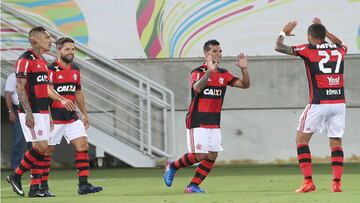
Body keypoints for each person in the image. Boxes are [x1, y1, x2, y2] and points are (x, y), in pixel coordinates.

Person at [164, 39, 250, 193]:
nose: (218, 54)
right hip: (197, 119)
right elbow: (197, 88)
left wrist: (244, 69)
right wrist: (209, 71)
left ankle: (193, 185)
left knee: (211, 156)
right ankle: (173, 166)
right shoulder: (197, 71)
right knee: (200, 155)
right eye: (214, 51)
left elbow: (245, 85)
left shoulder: (224, 74)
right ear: (206, 54)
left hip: (214, 121)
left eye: (220, 51)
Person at [274, 18, 347, 193]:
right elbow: (341, 42)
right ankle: (336, 183)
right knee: (336, 141)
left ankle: (308, 181)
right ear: (323, 35)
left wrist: (283, 32)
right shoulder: (339, 49)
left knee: (301, 140)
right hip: (339, 103)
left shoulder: (308, 49)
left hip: (319, 103)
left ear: (309, 36)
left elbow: (279, 46)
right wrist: (326, 30)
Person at [6, 26, 76, 198]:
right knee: (41, 147)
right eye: (47, 37)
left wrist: (53, 110)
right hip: (31, 111)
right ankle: (15, 175)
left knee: (43, 149)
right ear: (34, 40)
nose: (50, 40)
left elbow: (46, 89)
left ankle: (35, 189)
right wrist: (28, 112)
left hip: (44, 111)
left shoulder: (43, 62)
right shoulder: (25, 60)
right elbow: (19, 87)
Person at [43, 37, 102, 195]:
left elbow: (78, 92)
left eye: (73, 49)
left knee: (83, 145)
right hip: (53, 117)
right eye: (67, 49)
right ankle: (42, 186)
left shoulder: (75, 69)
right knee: (47, 151)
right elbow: (47, 90)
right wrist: (61, 99)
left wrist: (85, 114)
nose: (71, 52)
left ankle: (83, 185)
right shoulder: (51, 68)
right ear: (59, 51)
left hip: (71, 117)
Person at [4, 72, 32, 169]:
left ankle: (31, 165)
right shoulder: (12, 76)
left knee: (33, 140)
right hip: (18, 110)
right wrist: (10, 111)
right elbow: (7, 94)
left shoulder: (33, 75)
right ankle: (16, 166)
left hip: (33, 110)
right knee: (18, 140)